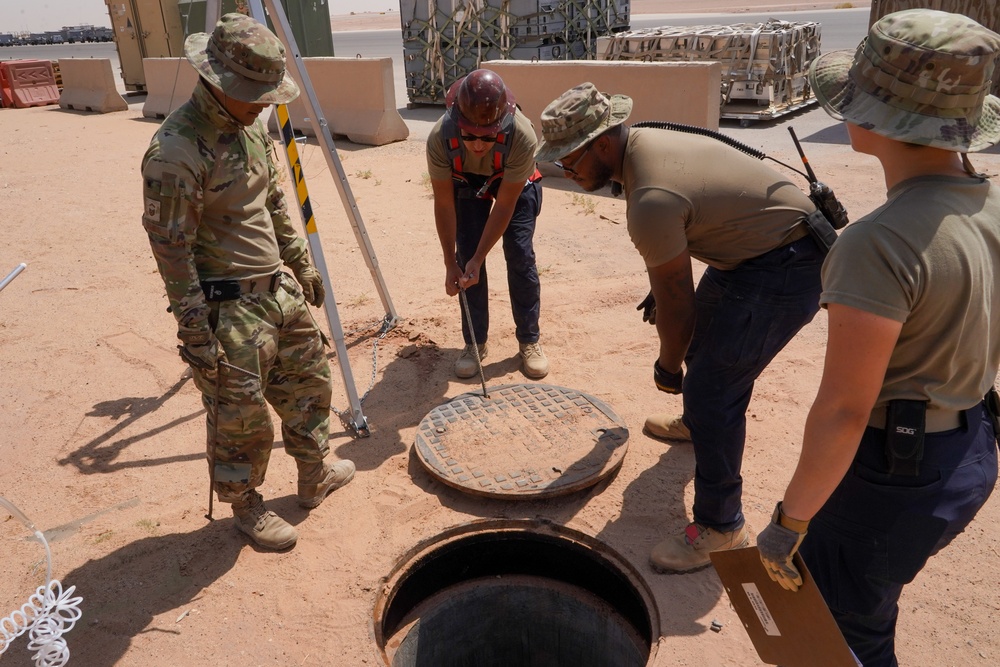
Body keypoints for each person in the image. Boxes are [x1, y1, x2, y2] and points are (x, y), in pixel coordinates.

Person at [756, 10, 1000, 666]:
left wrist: (790, 523)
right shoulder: (985, 200)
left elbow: (843, 411)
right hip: (970, 448)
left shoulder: (877, 243)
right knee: (869, 606)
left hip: (896, 477)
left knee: (837, 635)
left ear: (874, 121)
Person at [535, 82, 828, 573]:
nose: (566, 171)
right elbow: (691, 236)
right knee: (707, 352)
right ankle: (699, 424)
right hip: (756, 247)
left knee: (714, 388)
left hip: (786, 263)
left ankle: (720, 525)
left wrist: (668, 367)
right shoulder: (642, 144)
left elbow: (678, 310)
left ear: (603, 143)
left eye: (570, 160)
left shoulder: (650, 197)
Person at [140, 13, 355, 551]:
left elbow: (275, 199)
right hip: (227, 309)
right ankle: (247, 506)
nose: (265, 102)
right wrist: (195, 332)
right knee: (241, 419)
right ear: (217, 81)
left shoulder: (251, 126)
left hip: (276, 292)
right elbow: (172, 251)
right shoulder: (176, 152)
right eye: (254, 92)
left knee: (310, 386)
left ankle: (313, 476)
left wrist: (300, 265)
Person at [427, 69, 548, 380]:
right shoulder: (440, 138)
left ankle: (529, 341)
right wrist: (450, 262)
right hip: (467, 183)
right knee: (466, 256)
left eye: (488, 138)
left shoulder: (521, 135)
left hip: (513, 186)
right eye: (469, 137)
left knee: (519, 255)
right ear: (457, 125)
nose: (478, 145)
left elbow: (506, 203)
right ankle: (475, 343)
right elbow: (443, 203)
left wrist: (482, 258)